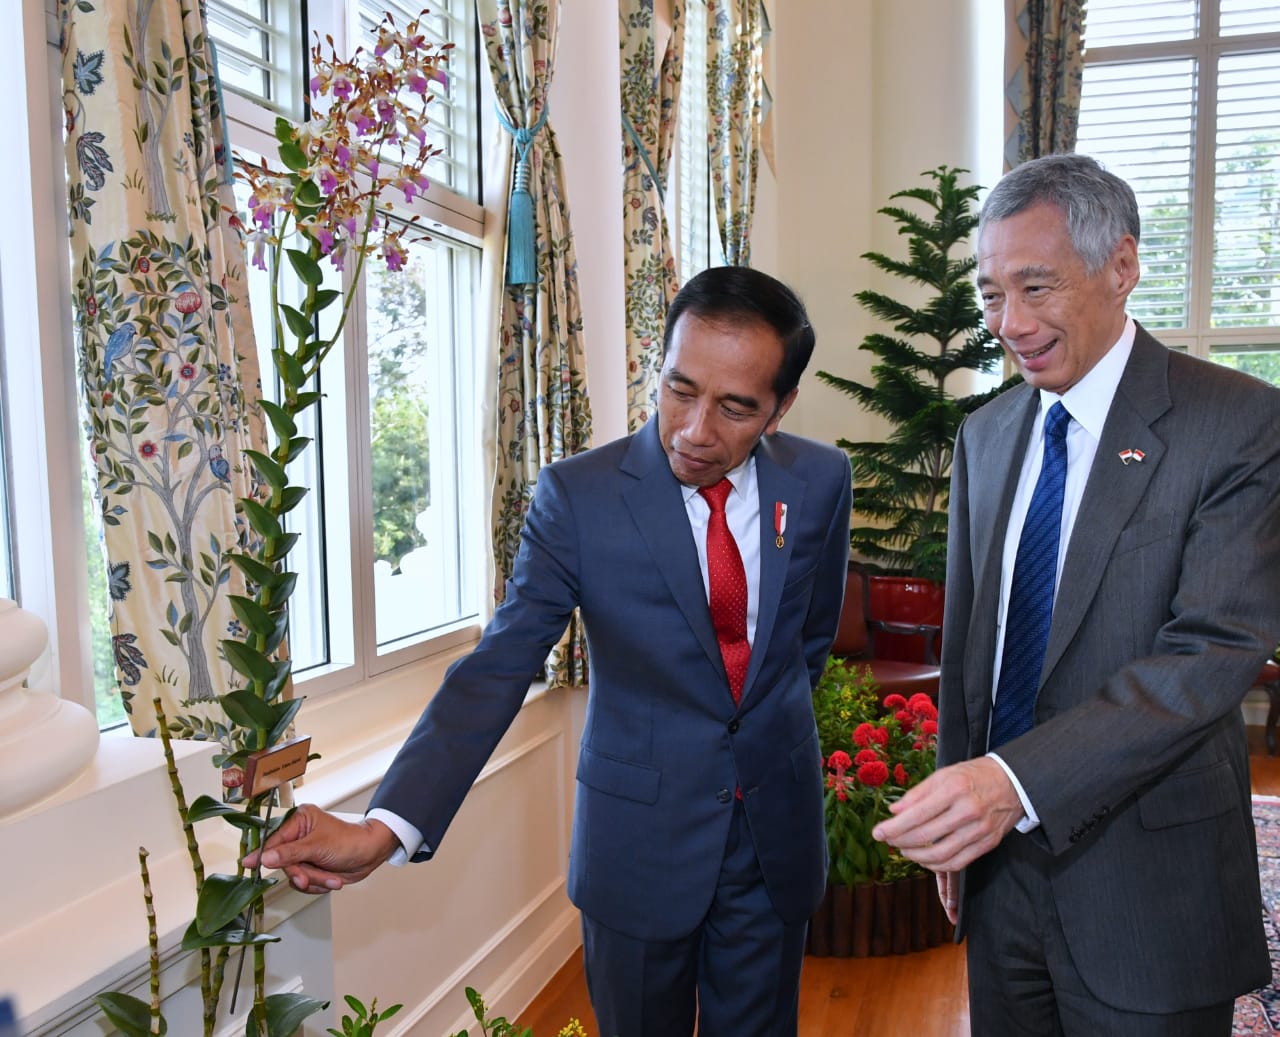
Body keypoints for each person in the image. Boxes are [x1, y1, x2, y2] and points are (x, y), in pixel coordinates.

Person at [244, 265, 853, 1037]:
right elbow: (499, 663)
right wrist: (383, 826)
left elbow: (806, 643)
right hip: (639, 845)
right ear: (658, 365)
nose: (696, 430)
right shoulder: (580, 496)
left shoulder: (823, 480)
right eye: (678, 388)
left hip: (773, 841)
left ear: (780, 407)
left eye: (735, 408)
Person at [873, 152, 1280, 1035]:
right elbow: (974, 647)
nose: (1009, 324)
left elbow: (1212, 653)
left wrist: (1007, 782)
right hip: (1000, 877)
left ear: (1122, 267)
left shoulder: (1236, 422)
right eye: (989, 295)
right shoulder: (986, 435)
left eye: (1036, 287)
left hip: (1149, 891)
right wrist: (960, 798)